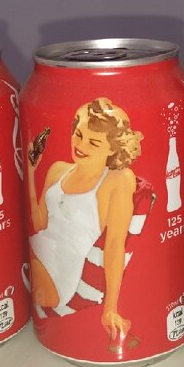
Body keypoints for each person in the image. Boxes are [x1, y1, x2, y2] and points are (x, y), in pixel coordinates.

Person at [27, 98, 142, 346]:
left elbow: (114, 246)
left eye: (93, 142)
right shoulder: (58, 169)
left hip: (58, 269)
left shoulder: (118, 180)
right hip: (36, 250)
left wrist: (110, 308)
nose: (80, 145)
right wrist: (30, 171)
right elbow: (39, 223)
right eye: (78, 135)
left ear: (112, 149)